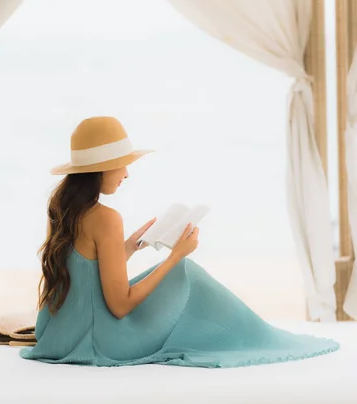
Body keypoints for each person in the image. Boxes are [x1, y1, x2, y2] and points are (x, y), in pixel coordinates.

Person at [19, 116, 340, 368]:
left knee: (176, 273)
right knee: (188, 274)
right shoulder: (106, 217)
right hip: (98, 341)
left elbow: (83, 275)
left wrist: (128, 247)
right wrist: (175, 256)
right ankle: (262, 337)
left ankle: (260, 333)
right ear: (100, 168)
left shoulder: (61, 205)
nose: (127, 174)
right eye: (123, 164)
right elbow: (119, 306)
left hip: (58, 334)